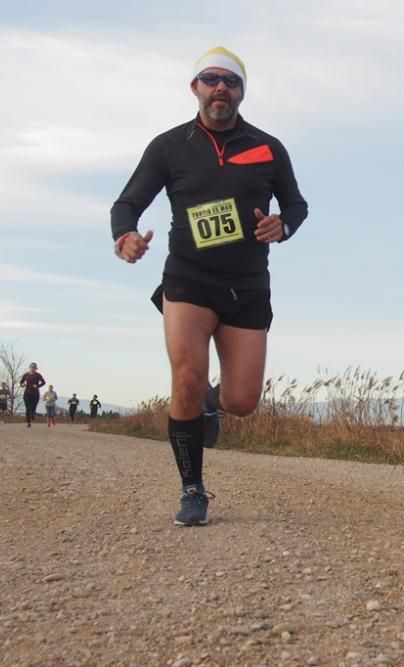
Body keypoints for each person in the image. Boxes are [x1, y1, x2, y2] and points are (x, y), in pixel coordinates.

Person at [110, 46, 309, 527]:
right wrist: (126, 237)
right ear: (194, 87)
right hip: (188, 279)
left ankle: (208, 405)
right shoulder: (169, 146)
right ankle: (193, 490)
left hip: (247, 284)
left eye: (231, 81)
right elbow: (127, 203)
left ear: (242, 92)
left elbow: (297, 205)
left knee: (243, 401)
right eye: (211, 78)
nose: (221, 87)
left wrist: (282, 226)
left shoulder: (268, 146)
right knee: (186, 376)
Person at [19, 363, 46, 428]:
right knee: (28, 408)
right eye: (31, 367)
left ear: (36, 368)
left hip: (35, 394)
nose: (32, 368)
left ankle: (33, 414)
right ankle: (28, 422)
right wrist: (22, 385)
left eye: (34, 367)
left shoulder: (38, 375)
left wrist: (37, 385)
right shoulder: (26, 375)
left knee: (33, 407)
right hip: (27, 393)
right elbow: (21, 382)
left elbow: (43, 382)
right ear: (29, 367)